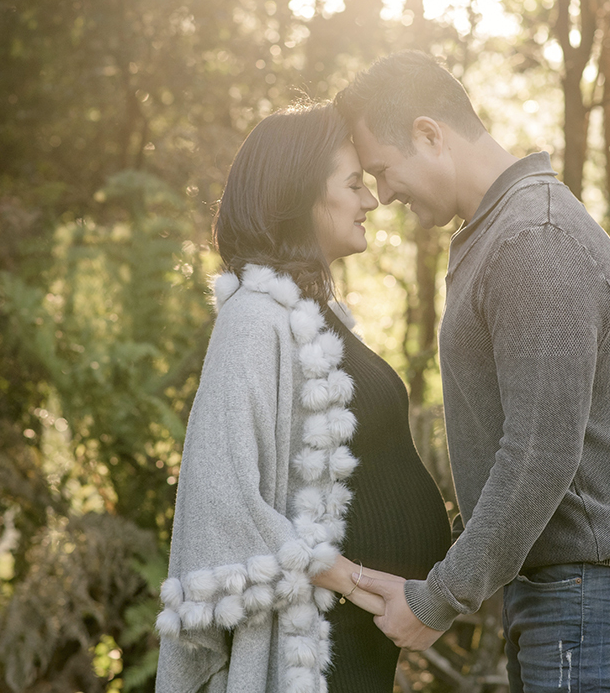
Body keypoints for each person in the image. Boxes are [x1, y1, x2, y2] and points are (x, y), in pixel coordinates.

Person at [334, 51, 610, 692]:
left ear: (429, 133)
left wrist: (440, 598)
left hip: (597, 582)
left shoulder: (536, 240)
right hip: (578, 583)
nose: (382, 194)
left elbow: (539, 452)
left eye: (384, 170)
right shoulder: (501, 232)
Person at [154, 101, 451, 693]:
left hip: (359, 640)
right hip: (309, 647)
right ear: (301, 196)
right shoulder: (254, 320)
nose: (371, 201)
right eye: (353, 184)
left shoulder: (315, 321)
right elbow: (222, 501)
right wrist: (352, 580)